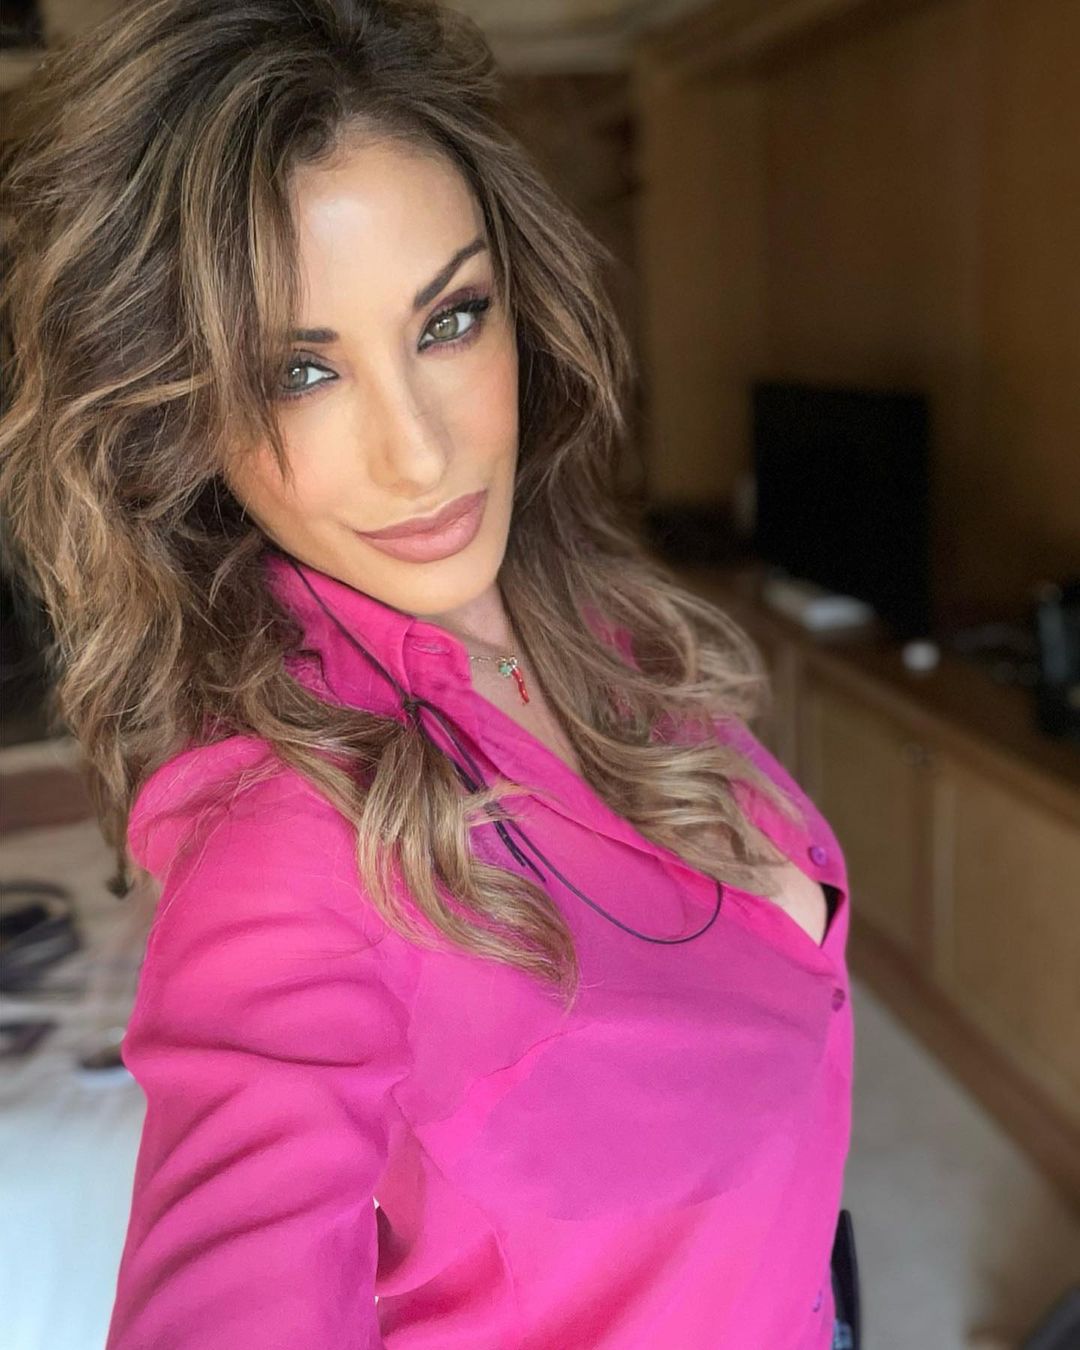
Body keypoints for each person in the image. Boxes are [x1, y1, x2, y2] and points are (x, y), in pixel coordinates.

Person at [0, 2, 858, 1346]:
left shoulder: (596, 622)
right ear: (179, 418)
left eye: (450, 320)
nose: (419, 456)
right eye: (297, 371)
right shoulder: (284, 851)